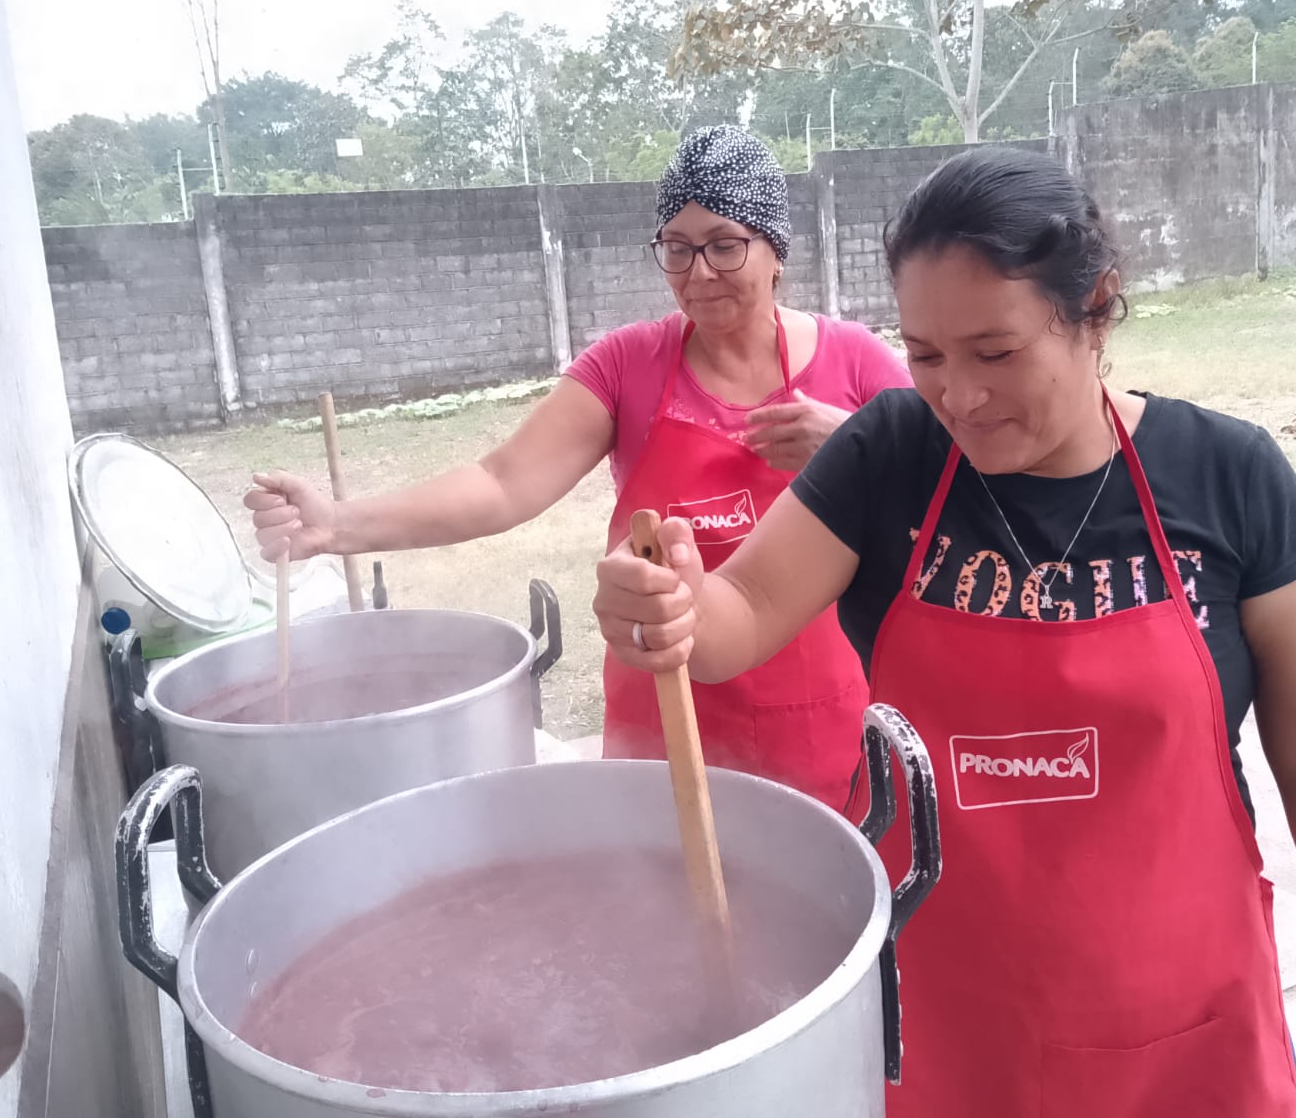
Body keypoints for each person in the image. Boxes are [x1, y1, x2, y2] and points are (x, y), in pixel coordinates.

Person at [593, 147, 1296, 1117]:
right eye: (925, 355)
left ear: (1095, 310)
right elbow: (739, 612)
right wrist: (672, 606)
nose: (957, 396)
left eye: (994, 353)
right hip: (945, 1032)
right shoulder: (890, 455)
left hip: (1184, 1035)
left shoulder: (1229, 476)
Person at [245, 124, 909, 809]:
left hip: (819, 725)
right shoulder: (628, 367)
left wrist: (857, 446)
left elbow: (948, 486)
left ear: (775, 250)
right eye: (676, 248)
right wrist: (336, 526)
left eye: (723, 245)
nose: (698, 273)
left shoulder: (855, 363)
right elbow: (502, 483)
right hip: (663, 723)